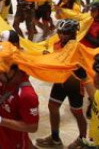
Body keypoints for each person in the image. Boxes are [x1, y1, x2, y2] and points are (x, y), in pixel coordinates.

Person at [0, 42, 39, 149]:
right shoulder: (2, 75)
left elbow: (32, 127)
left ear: (10, 71)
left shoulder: (26, 95)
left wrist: (0, 121)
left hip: (13, 143)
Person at [37, 19, 87, 148]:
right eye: (60, 33)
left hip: (74, 83)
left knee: (77, 112)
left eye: (66, 33)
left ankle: (83, 140)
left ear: (73, 34)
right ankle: (55, 138)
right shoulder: (57, 44)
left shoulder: (77, 46)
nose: (62, 36)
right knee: (52, 107)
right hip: (60, 81)